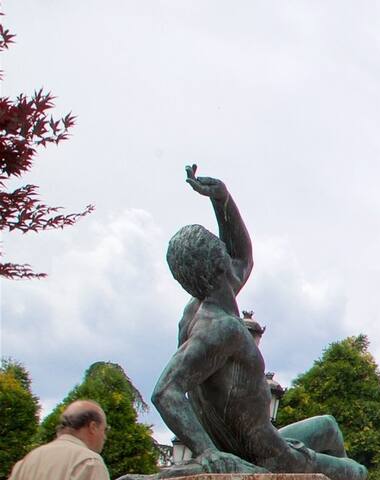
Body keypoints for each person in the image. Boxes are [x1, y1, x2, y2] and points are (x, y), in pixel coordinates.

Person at [143, 165, 365, 480]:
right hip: (270, 455)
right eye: (220, 248)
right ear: (217, 260)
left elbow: (243, 256)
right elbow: (166, 392)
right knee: (357, 472)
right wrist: (208, 453)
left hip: (263, 441)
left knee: (328, 426)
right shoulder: (220, 328)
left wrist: (222, 200)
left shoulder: (200, 307)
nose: (227, 250)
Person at [9, 400, 110, 480]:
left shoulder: (27, 461)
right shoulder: (89, 463)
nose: (105, 437)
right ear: (93, 427)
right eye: (105, 430)